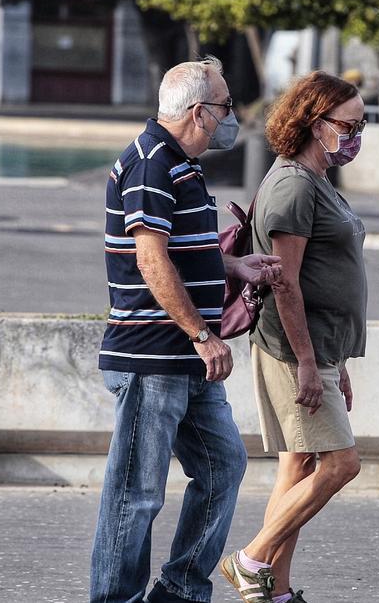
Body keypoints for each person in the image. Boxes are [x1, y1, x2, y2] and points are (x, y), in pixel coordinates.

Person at [91, 56, 283, 603]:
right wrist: (203, 333)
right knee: (137, 495)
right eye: (226, 107)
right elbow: (151, 260)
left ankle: (178, 591)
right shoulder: (151, 163)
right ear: (199, 112)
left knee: (223, 467)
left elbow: (182, 253)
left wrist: (234, 267)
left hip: (188, 359)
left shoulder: (183, 166)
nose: (232, 117)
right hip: (155, 358)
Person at [219, 71, 368, 603]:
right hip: (292, 350)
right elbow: (284, 283)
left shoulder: (317, 181)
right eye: (348, 124)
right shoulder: (291, 186)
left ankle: (272, 594)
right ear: (313, 121)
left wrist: (336, 359)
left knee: (298, 466)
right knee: (341, 464)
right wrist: (307, 361)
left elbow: (324, 275)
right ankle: (250, 559)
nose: (355, 135)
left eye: (362, 124)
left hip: (319, 347)